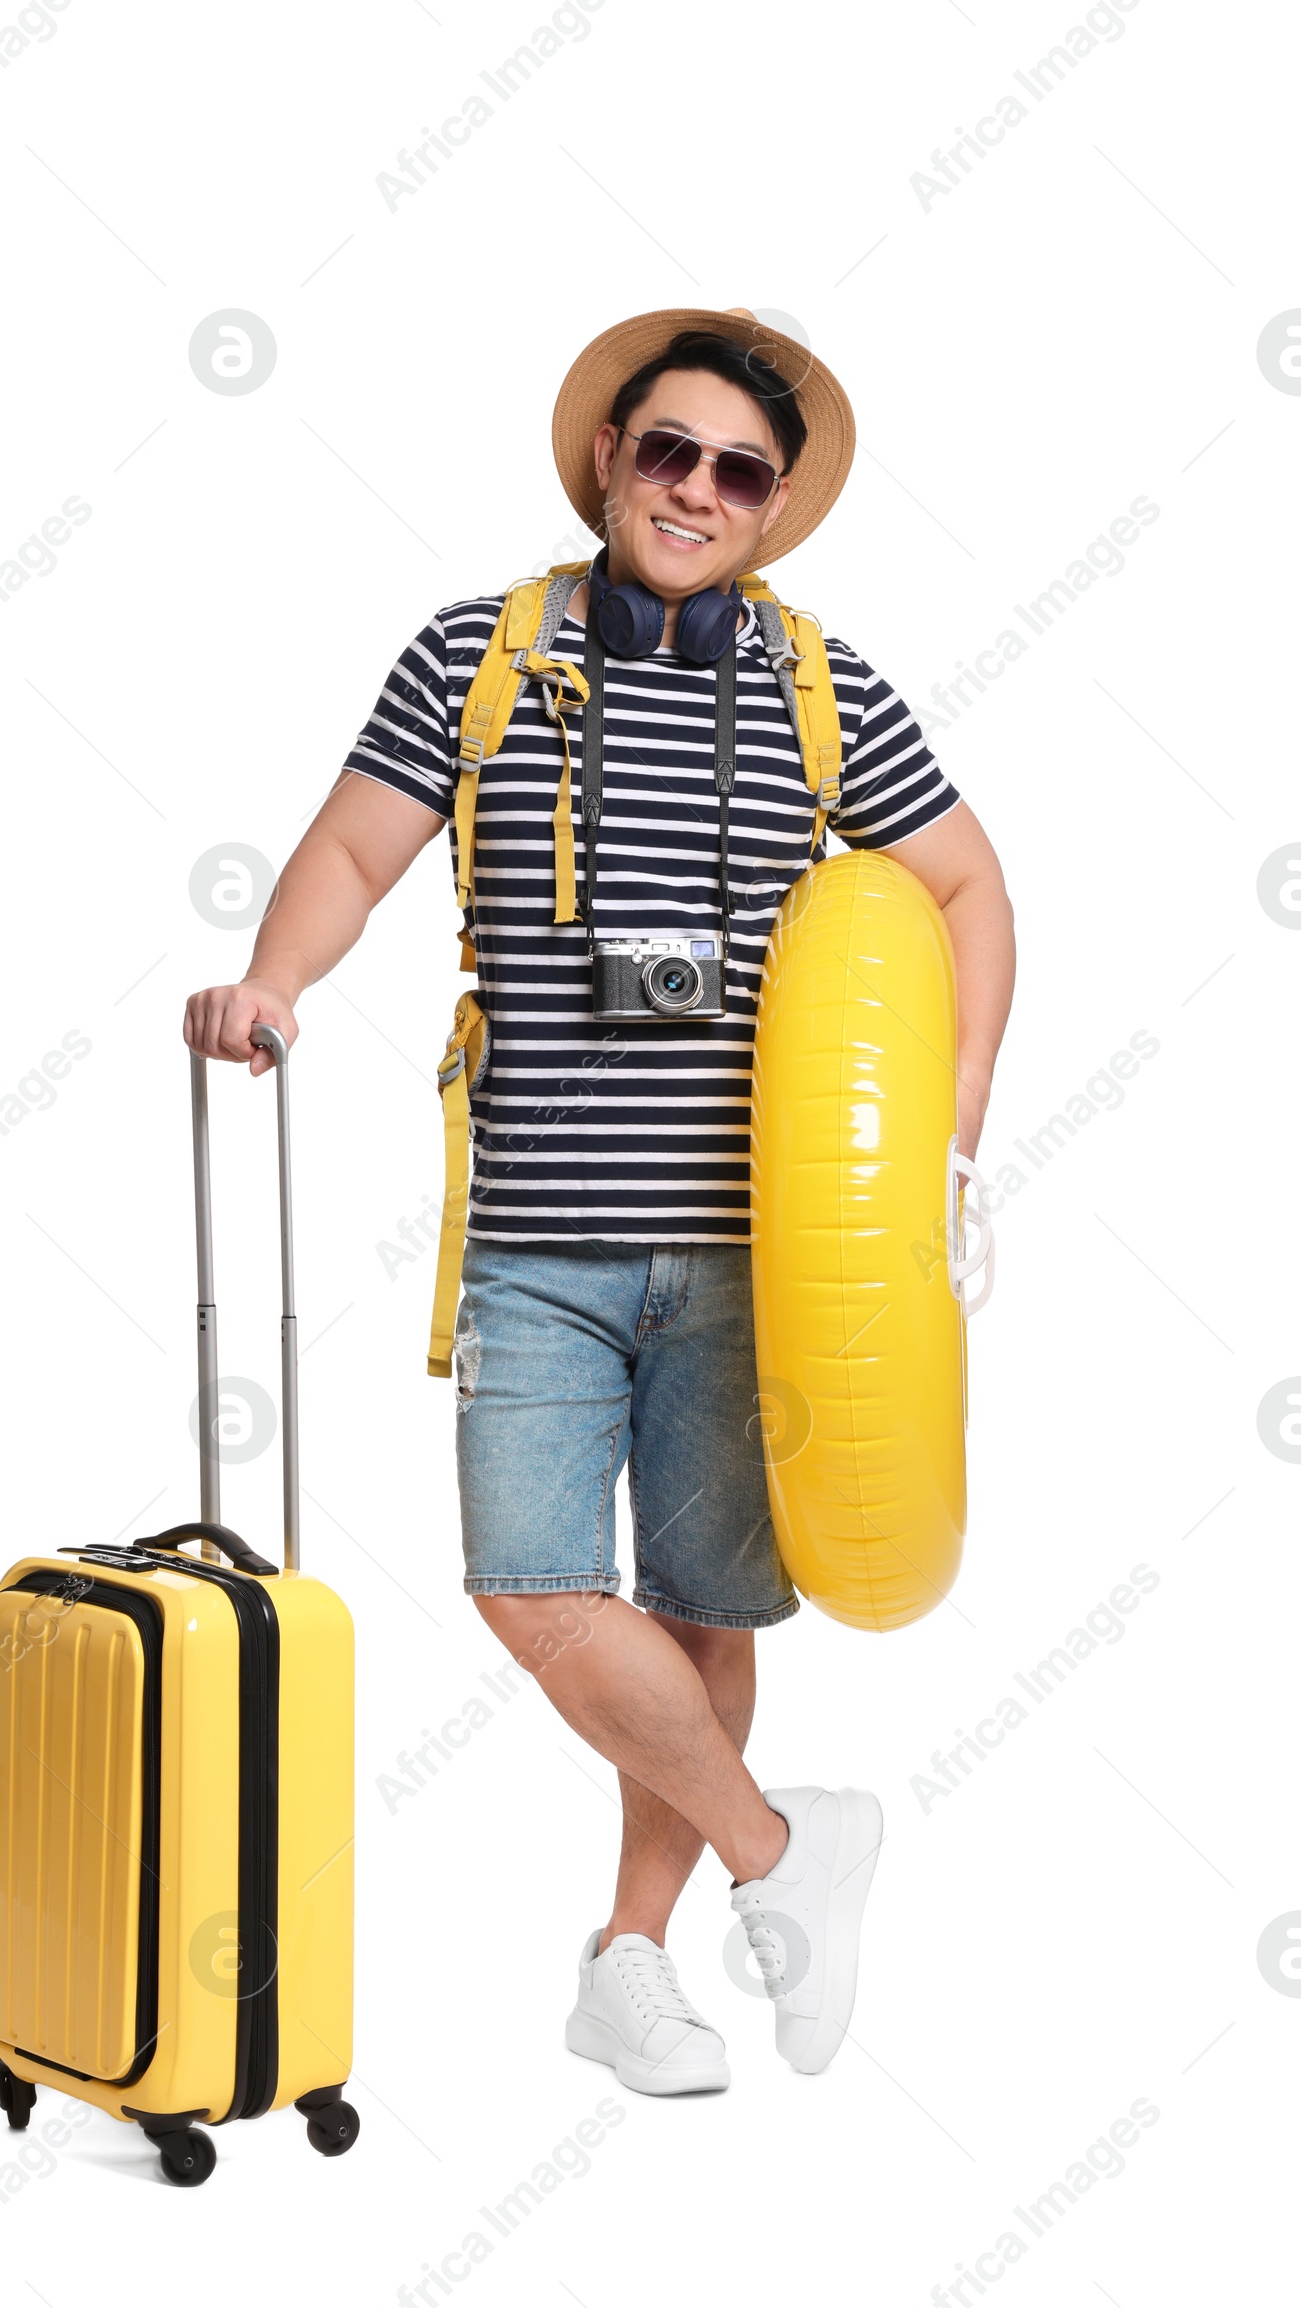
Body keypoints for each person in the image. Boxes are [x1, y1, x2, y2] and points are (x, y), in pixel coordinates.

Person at [184, 304, 1015, 2095]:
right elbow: (351, 847)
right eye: (669, 452)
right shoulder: (482, 657)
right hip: (538, 1245)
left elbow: (966, 893)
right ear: (608, 463)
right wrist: (278, 981)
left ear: (774, 507)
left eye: (740, 470)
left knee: (703, 1612)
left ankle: (630, 1962)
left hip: (751, 1258)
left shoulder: (821, 687)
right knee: (539, 1588)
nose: (699, 489)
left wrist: (943, 1151)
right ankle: (793, 1853)